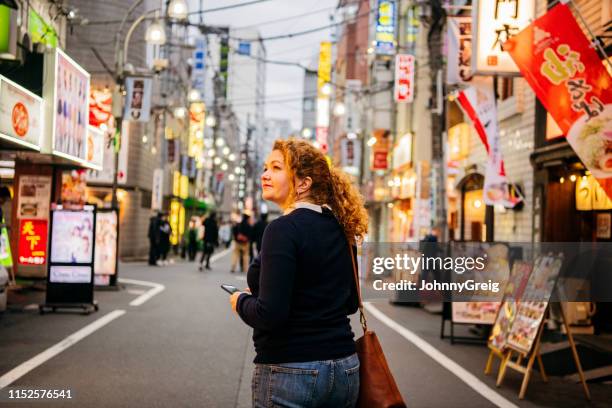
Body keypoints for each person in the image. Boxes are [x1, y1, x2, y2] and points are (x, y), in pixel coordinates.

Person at [229, 139, 368, 407]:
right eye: (266, 167)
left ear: (303, 183)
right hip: (345, 368)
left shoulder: (283, 229)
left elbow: (269, 315)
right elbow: (350, 303)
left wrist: (240, 301)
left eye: (276, 167)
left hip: (291, 370)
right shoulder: (342, 228)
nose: (265, 175)